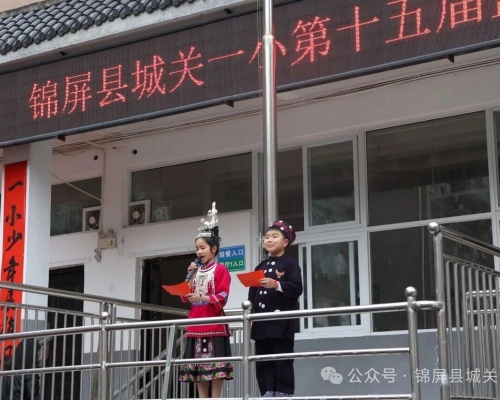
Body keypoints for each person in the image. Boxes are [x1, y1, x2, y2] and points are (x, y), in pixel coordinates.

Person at [178, 203, 234, 398]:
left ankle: (215, 398)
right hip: (196, 323)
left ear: (214, 248)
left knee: (215, 366)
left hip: (213, 323)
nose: (199, 252)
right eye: (197, 248)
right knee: (198, 367)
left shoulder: (221, 270)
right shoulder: (195, 271)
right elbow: (184, 296)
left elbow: (223, 296)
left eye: (203, 248)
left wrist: (201, 297)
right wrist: (190, 276)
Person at [248, 220, 303, 398]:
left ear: (285, 242)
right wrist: (250, 314)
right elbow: (253, 294)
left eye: (274, 236)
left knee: (282, 359)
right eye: (266, 237)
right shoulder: (260, 266)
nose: (269, 240)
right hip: (261, 323)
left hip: (280, 323)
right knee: (262, 361)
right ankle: (266, 392)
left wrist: (277, 284)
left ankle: (283, 393)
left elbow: (297, 288)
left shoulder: (290, 264)